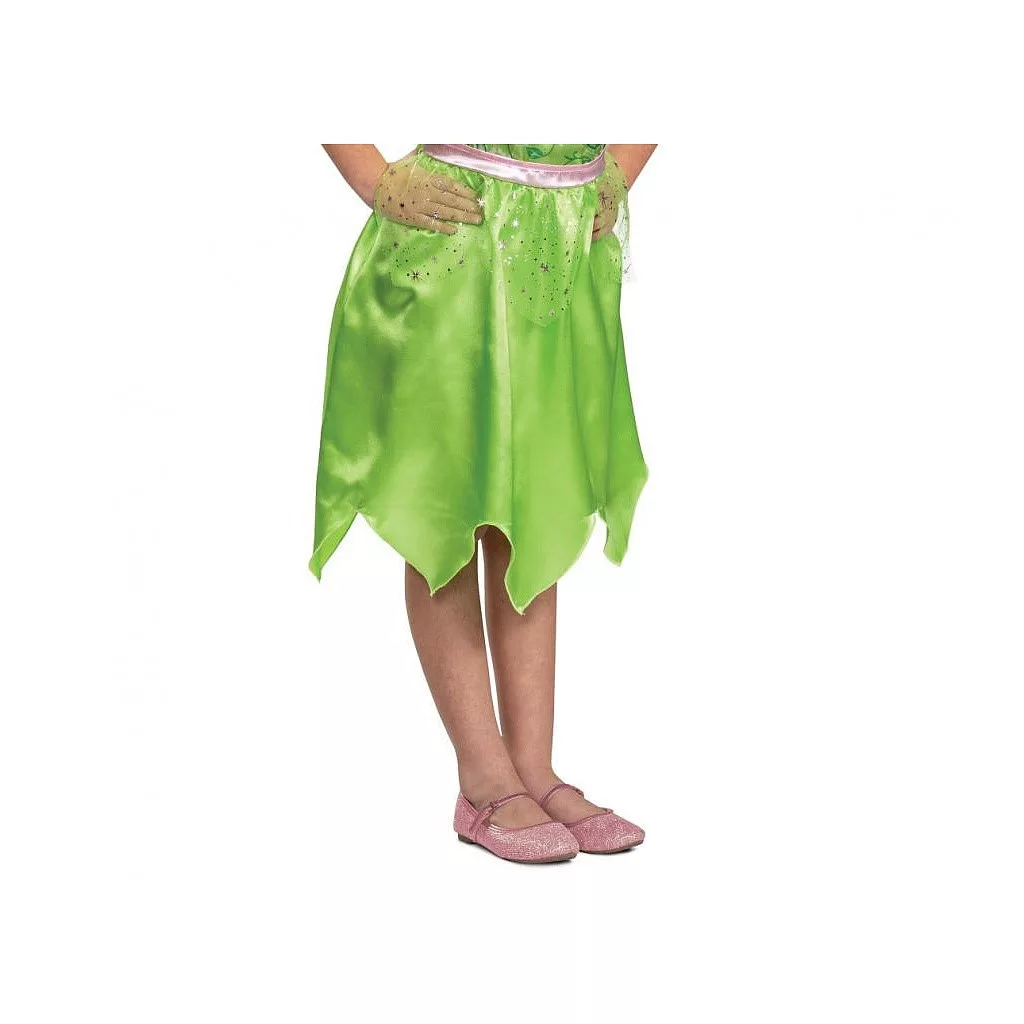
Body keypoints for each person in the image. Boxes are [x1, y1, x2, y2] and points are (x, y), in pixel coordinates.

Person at [312, 144, 658, 862]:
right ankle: (484, 777)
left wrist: (618, 169)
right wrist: (377, 181)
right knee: (448, 505)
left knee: (535, 499)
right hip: (452, 241)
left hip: (557, 250)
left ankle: (533, 768)